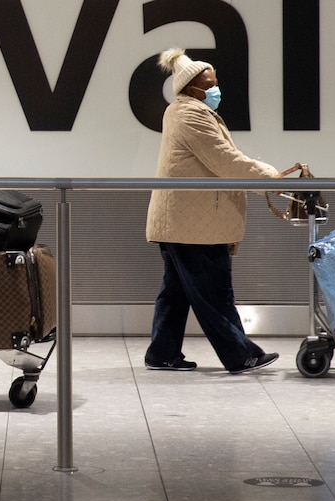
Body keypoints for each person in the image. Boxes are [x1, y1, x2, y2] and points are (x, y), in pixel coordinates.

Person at [144, 47, 292, 375]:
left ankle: (162, 352)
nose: (215, 89)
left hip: (184, 221)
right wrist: (271, 178)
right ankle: (240, 355)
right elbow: (225, 159)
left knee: (177, 291)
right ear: (190, 89)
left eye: (215, 82)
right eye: (208, 84)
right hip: (193, 225)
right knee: (214, 291)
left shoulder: (189, 112)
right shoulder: (189, 115)